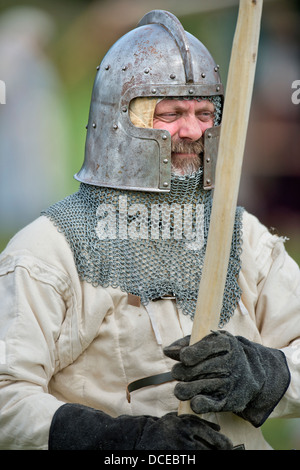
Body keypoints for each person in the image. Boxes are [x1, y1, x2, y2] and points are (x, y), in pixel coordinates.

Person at [0, 10, 299, 451]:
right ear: (120, 121)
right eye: (171, 112)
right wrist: (122, 441)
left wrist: (266, 373)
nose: (193, 130)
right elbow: (7, 396)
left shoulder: (244, 238)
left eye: (203, 112)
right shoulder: (48, 251)